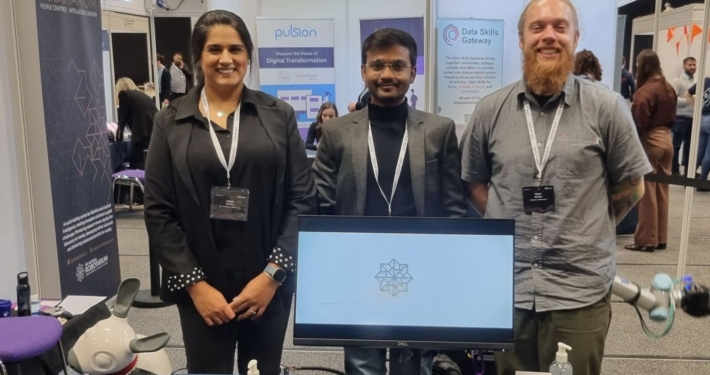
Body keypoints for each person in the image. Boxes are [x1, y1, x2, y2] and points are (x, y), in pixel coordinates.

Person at [460, 1, 651, 374]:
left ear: (575, 38)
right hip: (507, 291)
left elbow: (632, 185)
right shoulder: (489, 110)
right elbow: (475, 182)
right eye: (538, 27)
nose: (549, 36)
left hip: (578, 291)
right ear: (521, 40)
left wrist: (586, 224)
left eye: (560, 27)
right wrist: (506, 219)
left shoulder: (607, 108)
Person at [143, 10, 316, 375]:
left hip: (266, 284)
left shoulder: (278, 115)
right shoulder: (170, 121)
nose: (226, 59)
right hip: (202, 287)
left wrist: (272, 275)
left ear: (248, 56)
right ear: (198, 58)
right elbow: (159, 210)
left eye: (235, 49)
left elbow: (302, 199)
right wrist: (196, 286)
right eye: (214, 49)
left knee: (262, 370)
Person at [313, 28, 467, 375]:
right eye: (377, 65)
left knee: (416, 361)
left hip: (421, 266)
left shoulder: (439, 130)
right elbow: (321, 204)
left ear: (413, 72)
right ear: (364, 71)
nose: (387, 74)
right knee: (362, 360)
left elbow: (454, 205)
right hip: (356, 266)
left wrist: (451, 267)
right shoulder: (337, 131)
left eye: (397, 66)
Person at [624, 50, 676, 253]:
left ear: (642, 66)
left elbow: (637, 122)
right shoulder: (668, 87)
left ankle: (646, 240)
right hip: (667, 140)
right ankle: (660, 238)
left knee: (646, 192)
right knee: (662, 191)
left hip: (650, 141)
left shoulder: (645, 91)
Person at [115, 77, 157, 170]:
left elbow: (121, 119)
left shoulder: (124, 95)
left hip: (142, 133)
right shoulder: (142, 95)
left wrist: (118, 138)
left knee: (136, 164)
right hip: (153, 131)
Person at [670, 57, 696, 176]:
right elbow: (673, 99)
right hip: (680, 116)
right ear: (684, 66)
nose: (692, 67)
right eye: (690, 65)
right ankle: (674, 170)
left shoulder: (696, 82)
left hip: (692, 117)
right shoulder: (677, 81)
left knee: (690, 146)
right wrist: (690, 100)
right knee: (676, 144)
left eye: (694, 65)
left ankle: (688, 172)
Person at [684, 74, 710, 189]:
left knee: (699, 151)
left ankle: (688, 178)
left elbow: (687, 94)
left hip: (702, 118)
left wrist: (698, 106)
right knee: (709, 153)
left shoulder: (703, 81)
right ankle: (702, 183)